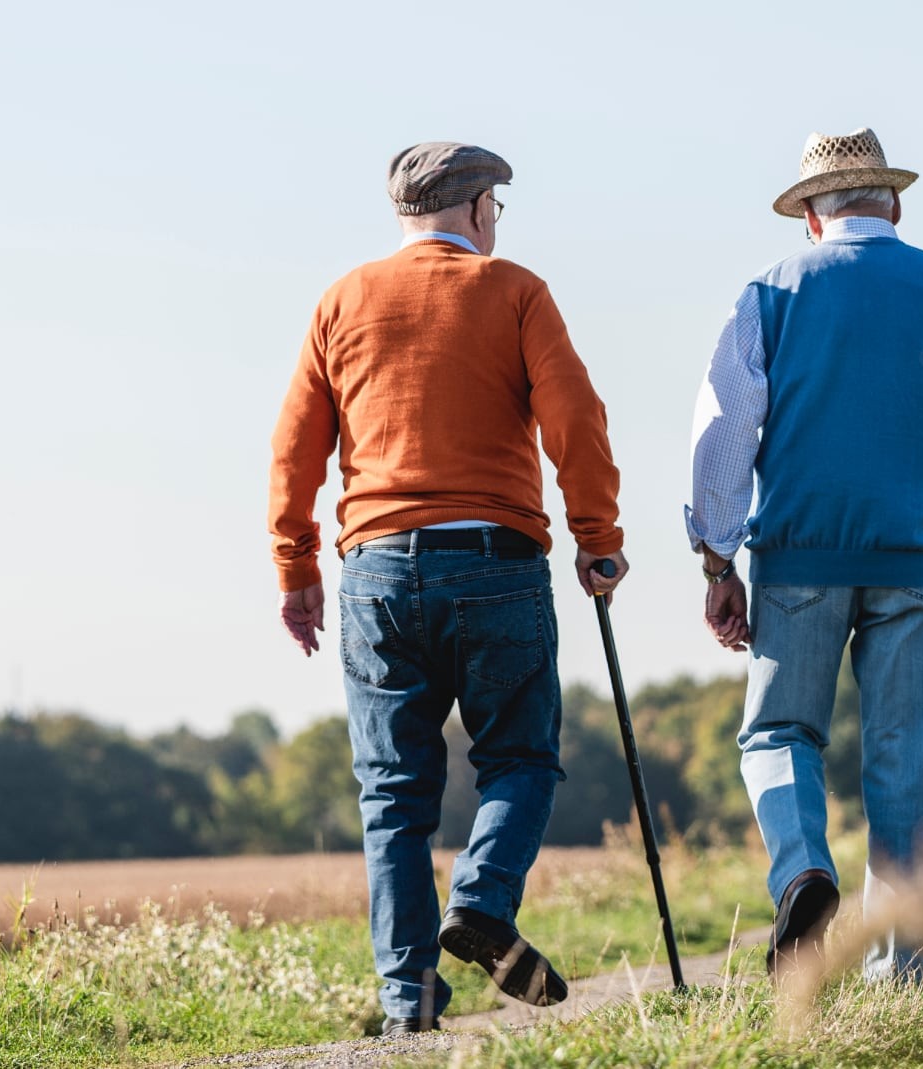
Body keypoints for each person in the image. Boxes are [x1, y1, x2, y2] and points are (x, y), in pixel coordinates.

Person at [685, 128, 923, 983]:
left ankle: (802, 870)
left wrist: (718, 561)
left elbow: (722, 430)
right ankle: (900, 972)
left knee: (779, 731)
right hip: (918, 560)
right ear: (892, 204)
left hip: (797, 557)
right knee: (908, 763)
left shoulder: (770, 292)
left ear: (810, 220)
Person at [269, 142, 628, 1033]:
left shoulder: (341, 299)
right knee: (520, 755)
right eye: (496, 210)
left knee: (393, 790)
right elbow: (574, 417)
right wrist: (598, 539)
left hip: (376, 567)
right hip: (494, 559)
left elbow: (293, 448)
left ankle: (407, 1003)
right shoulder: (514, 291)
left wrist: (296, 566)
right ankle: (483, 899)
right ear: (477, 211)